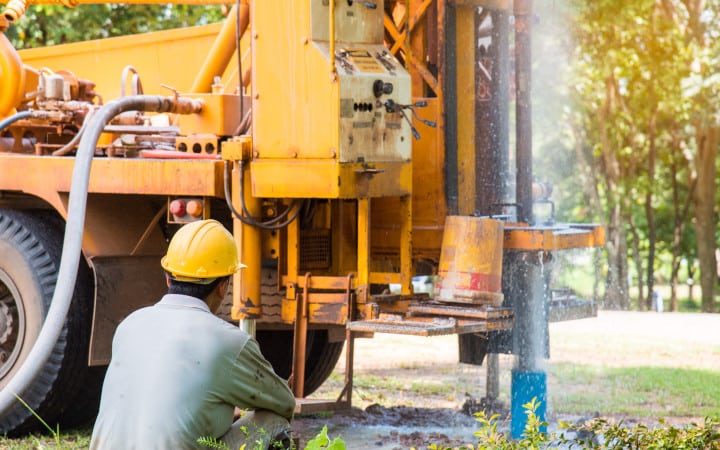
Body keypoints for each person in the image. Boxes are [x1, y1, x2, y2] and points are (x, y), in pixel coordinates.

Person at [90, 219, 295, 450]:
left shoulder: (129, 324)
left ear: (168, 277)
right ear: (223, 286)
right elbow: (284, 404)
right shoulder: (230, 342)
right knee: (274, 421)